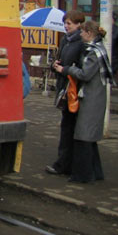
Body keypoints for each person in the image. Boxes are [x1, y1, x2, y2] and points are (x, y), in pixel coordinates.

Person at [52, 20, 114, 182]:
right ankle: (96, 172)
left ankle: (83, 175)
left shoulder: (94, 52)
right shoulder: (96, 49)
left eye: (82, 32)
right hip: (92, 96)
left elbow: (85, 74)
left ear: (88, 33)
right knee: (89, 138)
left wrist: (66, 69)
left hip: (91, 98)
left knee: (83, 136)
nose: (80, 34)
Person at [45, 9, 85, 176]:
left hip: (73, 91)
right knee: (67, 126)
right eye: (65, 23)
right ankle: (66, 163)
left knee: (69, 128)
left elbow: (82, 69)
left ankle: (63, 164)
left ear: (78, 24)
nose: (66, 26)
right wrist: (57, 65)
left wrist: (64, 68)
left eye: (69, 23)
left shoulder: (81, 43)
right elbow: (63, 60)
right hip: (64, 88)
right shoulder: (65, 41)